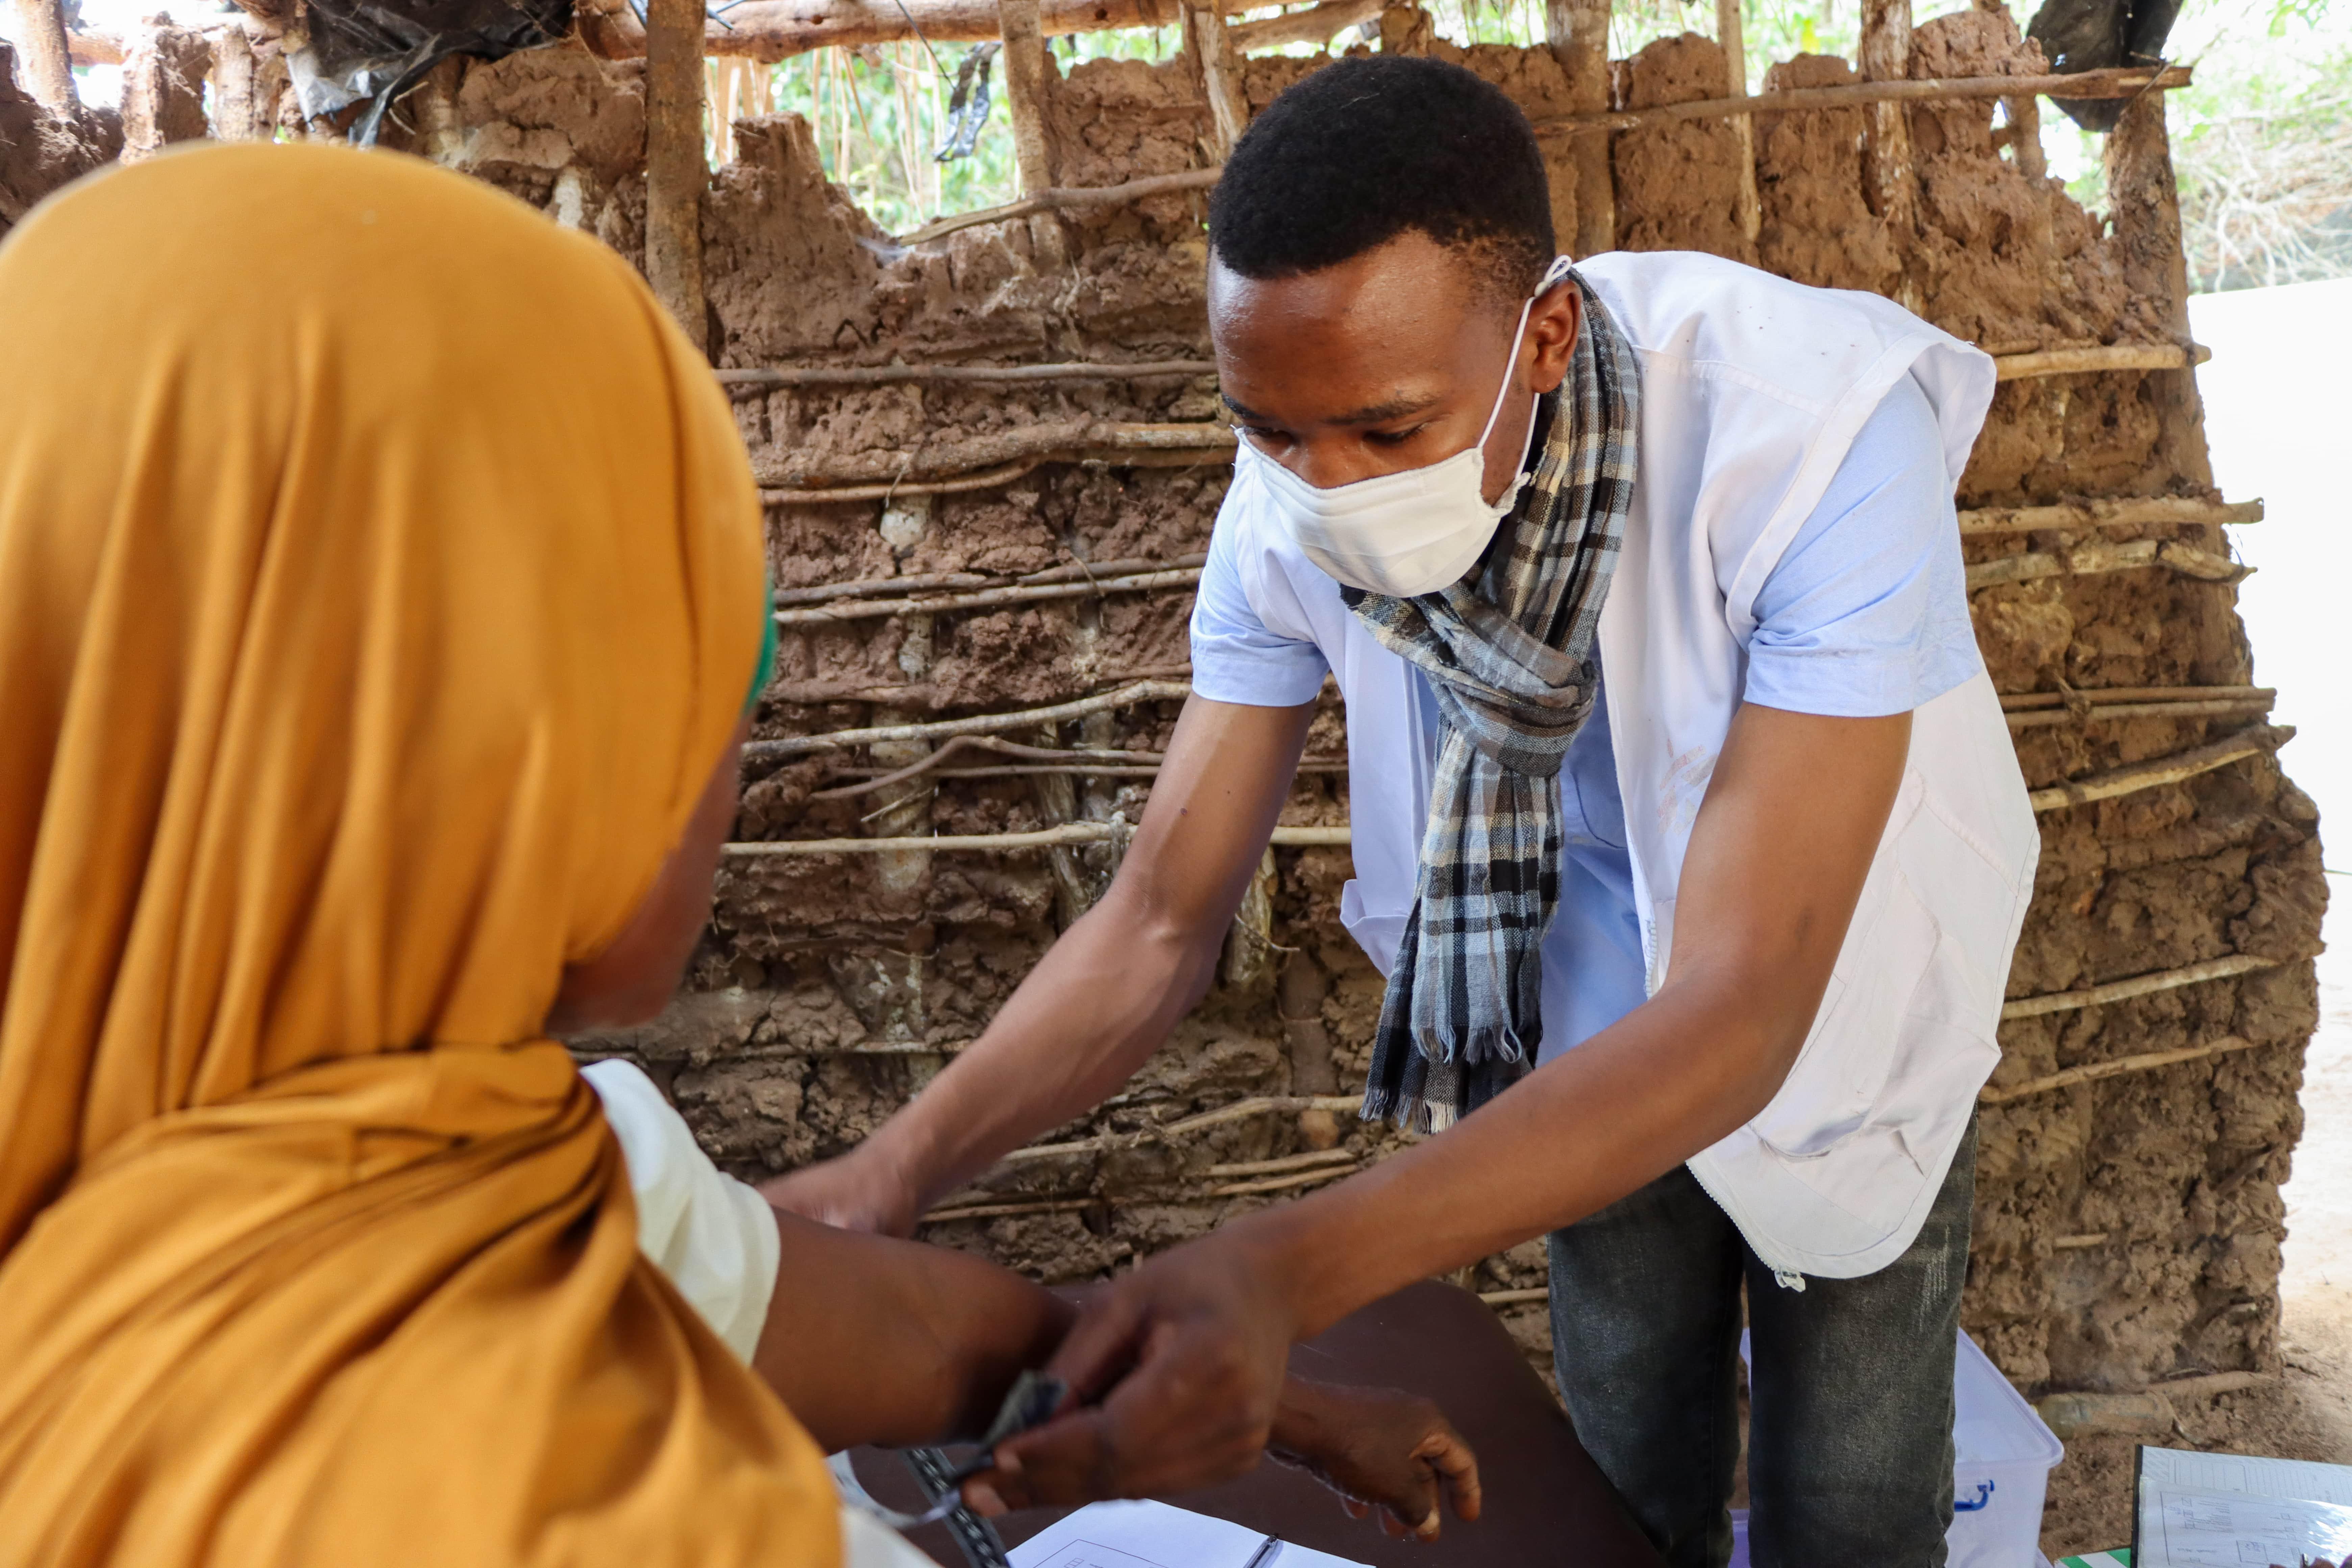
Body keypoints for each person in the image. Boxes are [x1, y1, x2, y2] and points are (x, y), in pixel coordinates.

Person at [0, 143, 1476, 1567]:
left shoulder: (465, 1155)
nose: (722, 768)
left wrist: (1270, 1399)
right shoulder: (574, 1502)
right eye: (701, 681)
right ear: (504, 758)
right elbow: (1160, 918)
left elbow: (876, 1325)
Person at [769, 56, 2040, 1568]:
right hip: (1575, 1039)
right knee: (1627, 1484)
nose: (1327, 490)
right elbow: (1163, 916)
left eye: (1387, 429)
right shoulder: (1287, 511)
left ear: (1546, 337)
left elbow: (1742, 1003)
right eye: (1273, 431)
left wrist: (1279, 1270)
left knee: (1855, 1499)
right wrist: (896, 1166)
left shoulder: (1811, 438)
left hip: (1834, 1018)